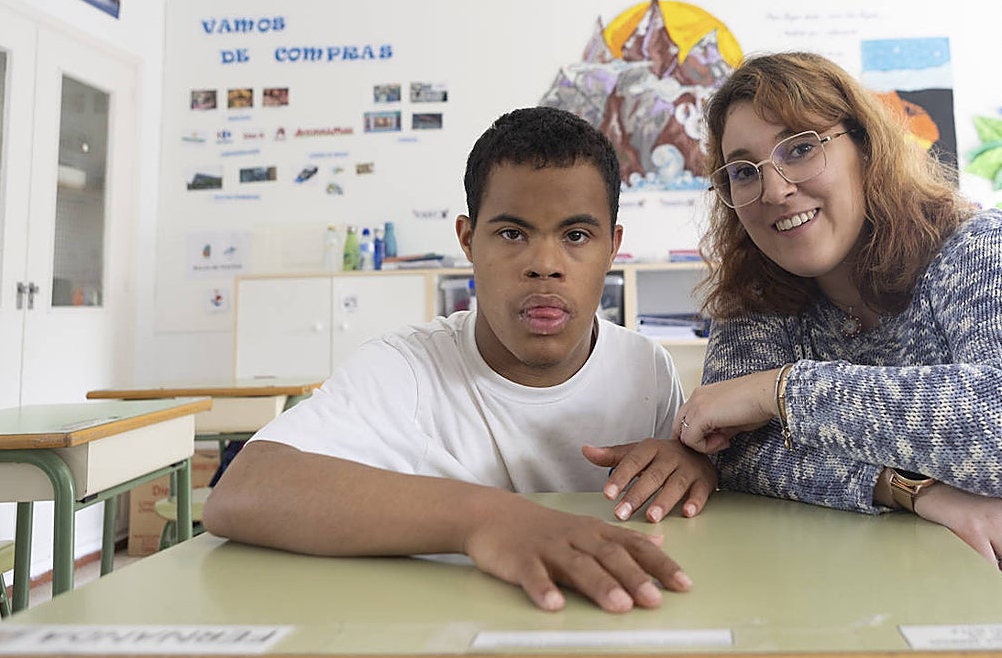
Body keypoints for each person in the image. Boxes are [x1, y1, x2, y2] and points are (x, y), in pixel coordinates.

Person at [669, 51, 1002, 658]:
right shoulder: (758, 298)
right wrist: (909, 487)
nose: (773, 188)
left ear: (865, 147)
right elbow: (739, 456)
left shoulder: (983, 248)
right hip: (943, 616)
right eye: (742, 171)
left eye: (800, 148)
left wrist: (782, 390)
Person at [204, 106, 717, 614]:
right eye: (513, 234)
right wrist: (487, 519)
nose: (545, 266)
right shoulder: (404, 367)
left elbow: (688, 503)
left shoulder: (646, 369)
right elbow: (242, 491)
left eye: (576, 236)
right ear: (468, 241)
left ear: (613, 247)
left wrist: (698, 466)